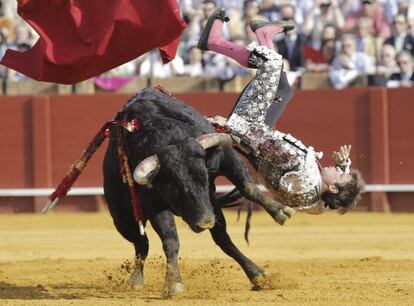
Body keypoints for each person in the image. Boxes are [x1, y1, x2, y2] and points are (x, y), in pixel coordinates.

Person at [198, 8, 365, 216]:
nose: (337, 169)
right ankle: (264, 34)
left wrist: (230, 125)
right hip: (257, 149)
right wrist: (344, 167)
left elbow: (263, 141)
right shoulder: (317, 204)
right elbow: (336, 199)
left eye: (340, 175)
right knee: (284, 90)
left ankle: (214, 42)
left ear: (332, 187)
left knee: (272, 64)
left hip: (249, 128)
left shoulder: (300, 165)